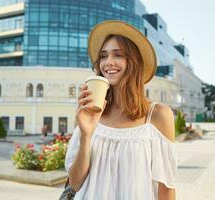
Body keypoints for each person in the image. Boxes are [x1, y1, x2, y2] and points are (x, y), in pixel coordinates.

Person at [65, 20, 177, 200]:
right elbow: (75, 183)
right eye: (103, 56)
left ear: (134, 62)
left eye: (117, 55)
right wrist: (86, 134)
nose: (108, 63)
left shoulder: (157, 115)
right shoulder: (90, 112)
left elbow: (167, 189)